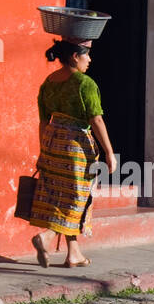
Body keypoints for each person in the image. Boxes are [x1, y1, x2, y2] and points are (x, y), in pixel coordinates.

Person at [27, 39, 118, 268]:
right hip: (76, 147)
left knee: (62, 196)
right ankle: (46, 236)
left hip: (52, 143)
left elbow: (43, 121)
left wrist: (44, 150)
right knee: (77, 198)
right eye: (87, 55)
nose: (90, 60)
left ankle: (73, 254)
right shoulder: (84, 83)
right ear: (75, 57)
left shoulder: (48, 83)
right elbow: (96, 119)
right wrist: (109, 152)